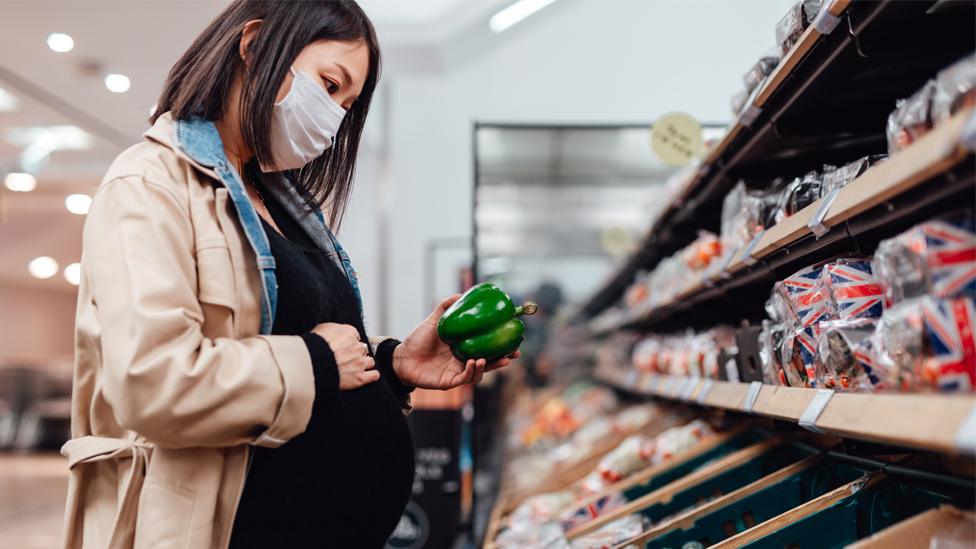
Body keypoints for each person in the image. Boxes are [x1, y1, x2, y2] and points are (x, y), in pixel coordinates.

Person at [60, 2, 516, 547]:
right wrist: (318, 362)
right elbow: (152, 384)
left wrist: (390, 366)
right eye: (328, 85)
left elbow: (300, 346)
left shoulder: (283, 203)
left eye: (347, 104)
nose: (333, 118)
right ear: (253, 46)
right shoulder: (148, 185)